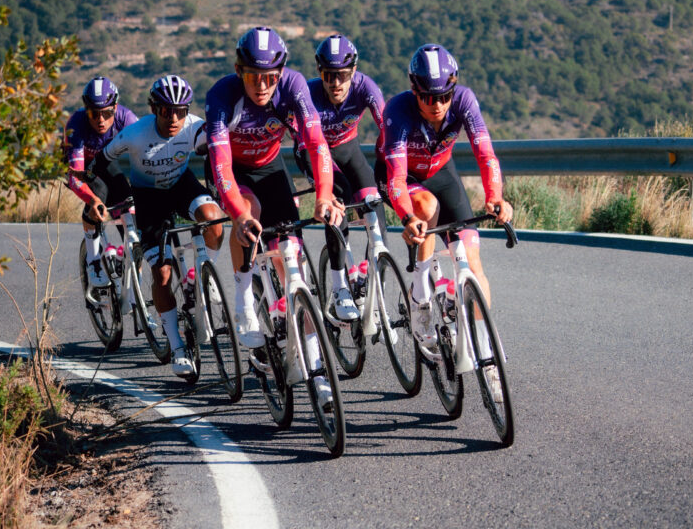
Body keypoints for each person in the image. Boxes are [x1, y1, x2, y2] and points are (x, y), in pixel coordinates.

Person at [204, 26, 345, 406]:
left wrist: (325, 195)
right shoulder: (222, 97)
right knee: (250, 216)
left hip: (270, 169)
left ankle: (316, 368)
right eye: (253, 76)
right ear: (239, 71)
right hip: (233, 174)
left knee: (290, 259)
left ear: (280, 74)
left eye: (269, 77)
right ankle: (244, 301)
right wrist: (236, 213)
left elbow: (317, 144)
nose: (262, 85)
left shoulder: (295, 86)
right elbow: (220, 164)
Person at [378, 43, 513, 352]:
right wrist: (406, 216)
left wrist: (495, 196)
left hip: (441, 173)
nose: (436, 105)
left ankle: (483, 345)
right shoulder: (398, 110)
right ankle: (420, 296)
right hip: (403, 178)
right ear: (415, 91)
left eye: (443, 97)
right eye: (427, 97)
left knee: (473, 264)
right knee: (426, 207)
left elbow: (486, 155)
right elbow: (396, 176)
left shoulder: (464, 100)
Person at [92, 75, 225, 378]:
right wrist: (97, 196)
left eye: (180, 110)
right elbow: (100, 163)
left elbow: (215, 151)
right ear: (154, 108)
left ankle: (202, 276)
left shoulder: (194, 126)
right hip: (149, 198)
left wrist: (218, 186)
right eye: (166, 110)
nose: (174, 117)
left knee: (213, 218)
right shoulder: (133, 134)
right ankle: (177, 347)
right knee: (162, 274)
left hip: (181, 186)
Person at [303, 34, 387, 321]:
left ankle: (374, 276)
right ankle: (339, 287)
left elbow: (387, 128)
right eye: (328, 75)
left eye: (341, 75)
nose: (335, 83)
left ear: (353, 71)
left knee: (373, 202)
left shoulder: (366, 88)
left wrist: (390, 171)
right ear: (319, 73)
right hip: (315, 154)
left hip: (349, 151)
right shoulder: (310, 94)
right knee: (337, 206)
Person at [63, 76, 138, 289]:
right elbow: (75, 176)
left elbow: (145, 156)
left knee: (126, 198)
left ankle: (130, 258)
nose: (101, 120)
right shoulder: (76, 124)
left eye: (107, 113)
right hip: (81, 170)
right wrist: (92, 199)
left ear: (116, 107)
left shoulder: (127, 118)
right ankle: (93, 262)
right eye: (94, 114)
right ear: (85, 110)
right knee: (99, 194)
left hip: (107, 163)